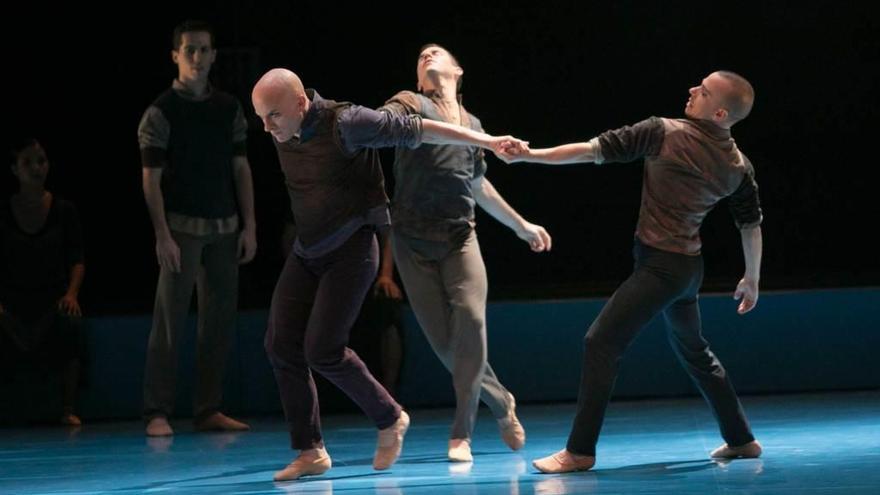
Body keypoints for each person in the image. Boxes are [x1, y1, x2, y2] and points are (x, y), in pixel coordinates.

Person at [251, 68, 525, 481]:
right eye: (261, 119)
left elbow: (423, 129)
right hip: (308, 251)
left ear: (301, 104)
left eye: (273, 116)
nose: (267, 128)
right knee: (279, 344)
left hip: (353, 248)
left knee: (322, 349)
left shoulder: (346, 122)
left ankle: (390, 417)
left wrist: (487, 141)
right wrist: (274, 124)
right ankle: (310, 450)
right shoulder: (284, 130)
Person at [499, 71, 764, 473]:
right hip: (688, 270)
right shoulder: (738, 165)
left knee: (600, 342)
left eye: (703, 91)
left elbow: (592, 150)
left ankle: (580, 451)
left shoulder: (665, 132)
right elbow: (750, 223)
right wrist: (752, 277)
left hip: (661, 267)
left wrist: (530, 155)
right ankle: (742, 440)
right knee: (696, 353)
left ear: (720, 111)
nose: (692, 90)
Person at [379, 44, 551, 463]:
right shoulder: (410, 102)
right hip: (412, 243)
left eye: (436, 52)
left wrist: (521, 224)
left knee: (472, 322)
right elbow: (392, 122)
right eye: (419, 56)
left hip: (460, 238)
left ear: (457, 69)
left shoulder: (474, 124)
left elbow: (477, 187)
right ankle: (502, 400)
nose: (426, 55)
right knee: (445, 344)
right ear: (419, 82)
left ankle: (462, 433)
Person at [138, 20, 256, 437]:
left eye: (203, 49)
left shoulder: (228, 108)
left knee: (218, 320)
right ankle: (156, 410)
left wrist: (250, 225)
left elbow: (241, 169)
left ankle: (208, 408)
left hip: (224, 227)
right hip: (182, 230)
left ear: (213, 55)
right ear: (176, 55)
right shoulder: (162, 111)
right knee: (169, 319)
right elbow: (150, 179)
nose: (197, 57)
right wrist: (162, 235)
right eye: (189, 49)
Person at [0, 138, 86, 426]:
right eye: (27, 163)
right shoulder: (4, 211)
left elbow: (77, 259)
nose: (37, 168)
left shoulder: (64, 210)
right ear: (14, 169)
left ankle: (68, 408)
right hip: (12, 302)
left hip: (52, 300)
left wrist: (72, 294)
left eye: (41, 161)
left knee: (71, 322)